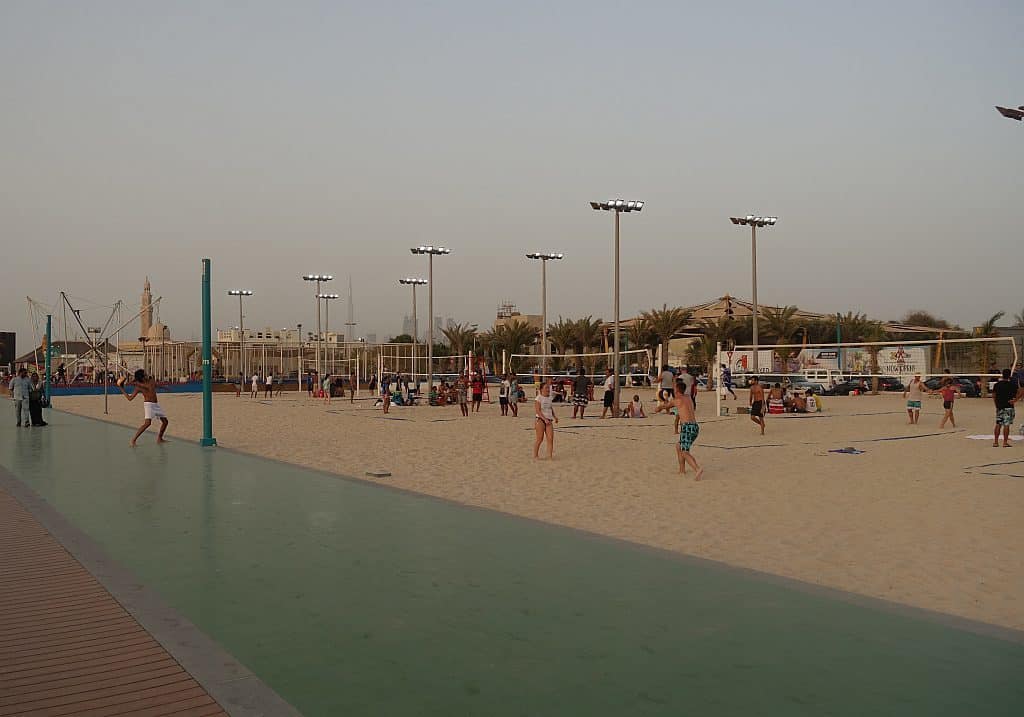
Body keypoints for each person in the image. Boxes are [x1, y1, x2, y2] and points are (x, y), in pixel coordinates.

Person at [117, 369, 168, 447]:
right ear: (142, 377)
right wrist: (121, 388)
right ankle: (133, 440)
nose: (147, 374)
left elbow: (154, 385)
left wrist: (164, 387)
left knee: (165, 422)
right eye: (145, 374)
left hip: (156, 405)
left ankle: (159, 438)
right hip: (148, 405)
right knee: (147, 423)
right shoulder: (138, 387)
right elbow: (130, 398)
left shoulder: (150, 380)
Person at [672, 378, 703, 480]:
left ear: (677, 390)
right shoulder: (688, 397)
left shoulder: (678, 400)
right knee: (679, 446)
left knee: (684, 451)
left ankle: (697, 469)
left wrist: (659, 408)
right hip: (695, 427)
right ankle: (682, 470)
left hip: (687, 427)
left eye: (674, 388)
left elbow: (666, 405)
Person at [992, 368, 1020, 448]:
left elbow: (994, 396)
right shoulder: (1012, 385)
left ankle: (996, 442)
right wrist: (1015, 400)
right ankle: (1005, 442)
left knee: (998, 424)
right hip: (1009, 406)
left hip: (1000, 406)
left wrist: (996, 404)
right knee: (1006, 424)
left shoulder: (997, 385)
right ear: (1009, 376)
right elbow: (1020, 391)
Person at [533, 380, 558, 459]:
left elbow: (550, 408)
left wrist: (554, 416)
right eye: (546, 388)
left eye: (548, 388)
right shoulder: (538, 398)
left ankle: (549, 456)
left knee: (550, 439)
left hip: (549, 420)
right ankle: (535, 455)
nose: (548, 389)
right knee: (540, 439)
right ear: (541, 389)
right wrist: (544, 419)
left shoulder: (549, 397)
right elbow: (538, 411)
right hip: (540, 420)